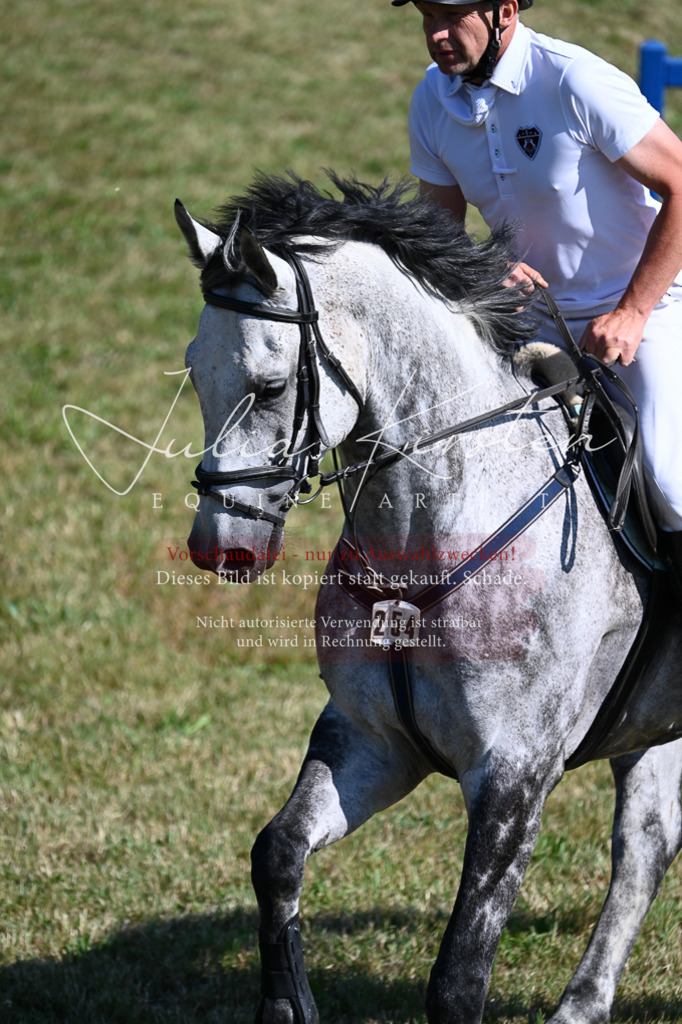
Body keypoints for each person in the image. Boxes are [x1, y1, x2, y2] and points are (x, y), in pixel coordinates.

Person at [393, 0, 682, 583]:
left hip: (647, 311)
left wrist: (632, 311)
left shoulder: (574, 79)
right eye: (427, 16)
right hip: (533, 323)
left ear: (503, 11)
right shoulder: (431, 100)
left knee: (671, 484)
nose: (437, 34)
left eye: (453, 17)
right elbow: (438, 237)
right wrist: (481, 267)